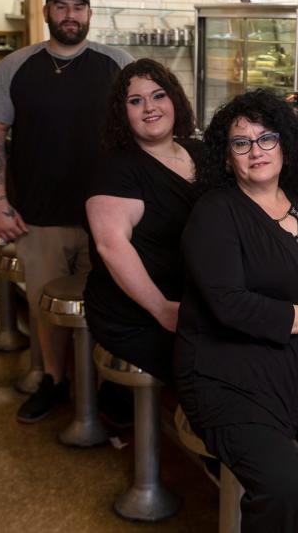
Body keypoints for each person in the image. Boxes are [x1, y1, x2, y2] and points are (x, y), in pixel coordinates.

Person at [175, 89, 298, 532]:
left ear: (285, 142)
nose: (256, 151)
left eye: (266, 138)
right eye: (241, 143)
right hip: (230, 372)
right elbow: (229, 304)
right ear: (227, 157)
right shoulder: (215, 213)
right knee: (281, 486)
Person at [0, 0, 134, 423]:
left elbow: (146, 121)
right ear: (46, 12)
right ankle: (54, 380)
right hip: (38, 213)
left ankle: (111, 387)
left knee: (112, 302)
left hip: (107, 214)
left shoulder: (115, 63)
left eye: (78, 7)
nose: (70, 15)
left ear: (89, 14)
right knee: (45, 304)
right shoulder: (16, 66)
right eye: (60, 6)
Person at [83, 59, 203, 385]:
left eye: (158, 95)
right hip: (139, 312)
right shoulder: (117, 168)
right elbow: (111, 246)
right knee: (214, 370)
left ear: (174, 100)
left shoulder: (200, 153)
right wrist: (162, 309)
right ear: (123, 113)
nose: (150, 107)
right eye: (136, 101)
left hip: (199, 302)